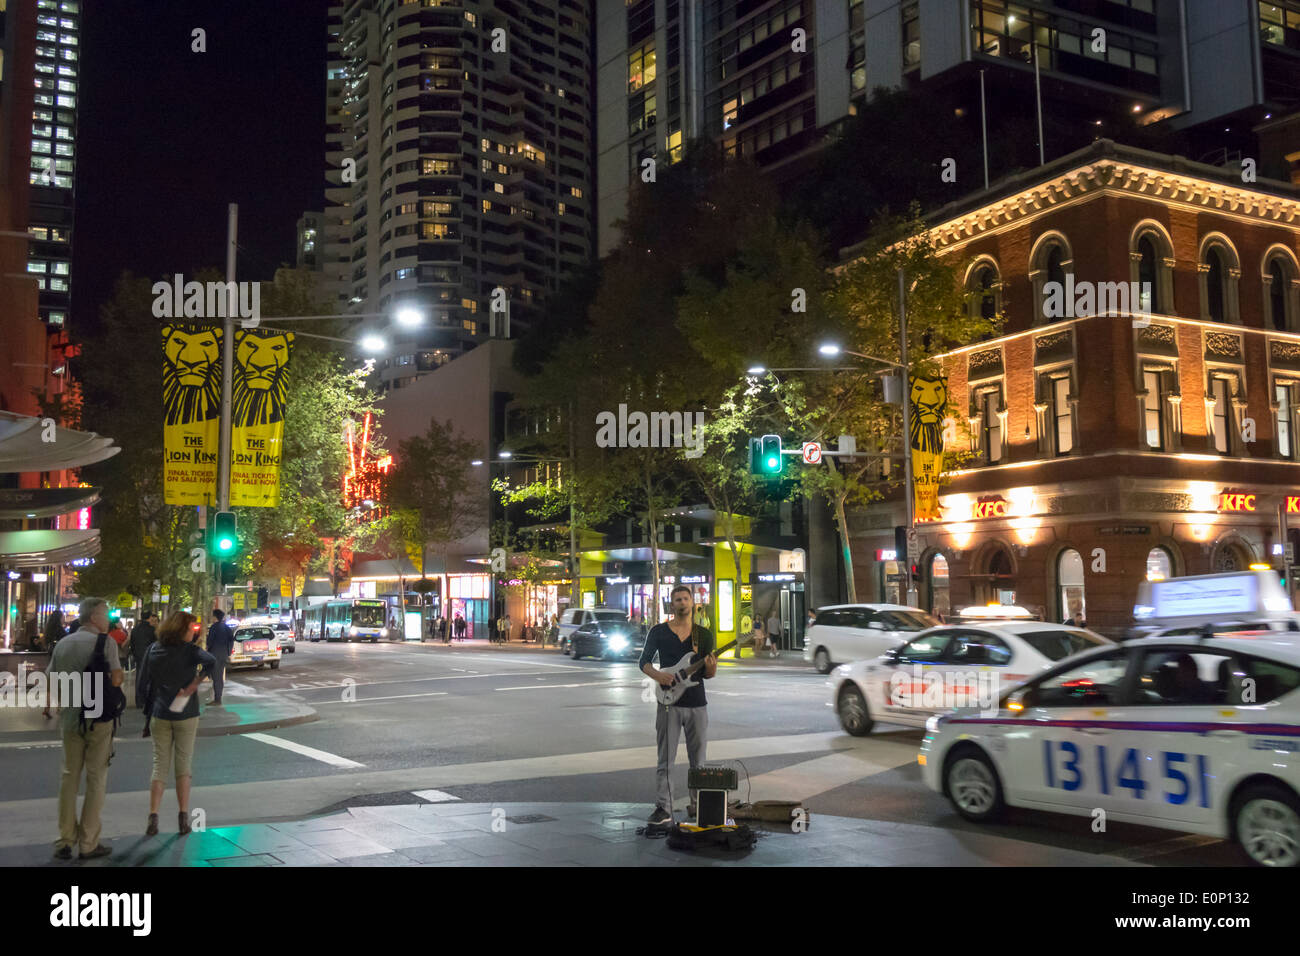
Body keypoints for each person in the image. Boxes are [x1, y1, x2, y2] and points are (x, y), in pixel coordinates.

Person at [45, 597, 122, 860]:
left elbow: (51, 678)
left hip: (70, 718)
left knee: (68, 777)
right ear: (93, 618)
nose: (108, 619)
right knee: (96, 778)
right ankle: (89, 842)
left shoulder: (63, 644)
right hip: (99, 718)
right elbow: (116, 677)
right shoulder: (106, 642)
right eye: (105, 614)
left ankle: (64, 839)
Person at [639, 584, 717, 824]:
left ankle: (698, 806)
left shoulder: (703, 635)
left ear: (693, 603)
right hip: (668, 704)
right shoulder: (659, 631)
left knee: (699, 761)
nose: (682, 603)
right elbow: (643, 662)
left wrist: (712, 668)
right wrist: (659, 675)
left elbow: (707, 674)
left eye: (685, 599)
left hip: (697, 704)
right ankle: (664, 807)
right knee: (665, 760)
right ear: (671, 605)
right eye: (677, 600)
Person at [138, 611, 216, 836]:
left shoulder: (154, 649)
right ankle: (183, 817)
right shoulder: (190, 651)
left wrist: (147, 707)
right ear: (183, 629)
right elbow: (212, 662)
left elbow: (143, 683)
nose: (194, 632)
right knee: (184, 766)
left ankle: (153, 816)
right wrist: (195, 684)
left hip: (160, 713)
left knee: (159, 765)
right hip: (186, 712)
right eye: (192, 629)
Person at [205, 608, 236, 706]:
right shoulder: (227, 628)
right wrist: (228, 653)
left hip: (214, 655)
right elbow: (231, 641)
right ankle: (218, 697)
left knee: (216, 677)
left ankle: (217, 699)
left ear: (215, 617)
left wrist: (207, 649)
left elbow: (209, 642)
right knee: (219, 676)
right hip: (223, 655)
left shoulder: (214, 627)